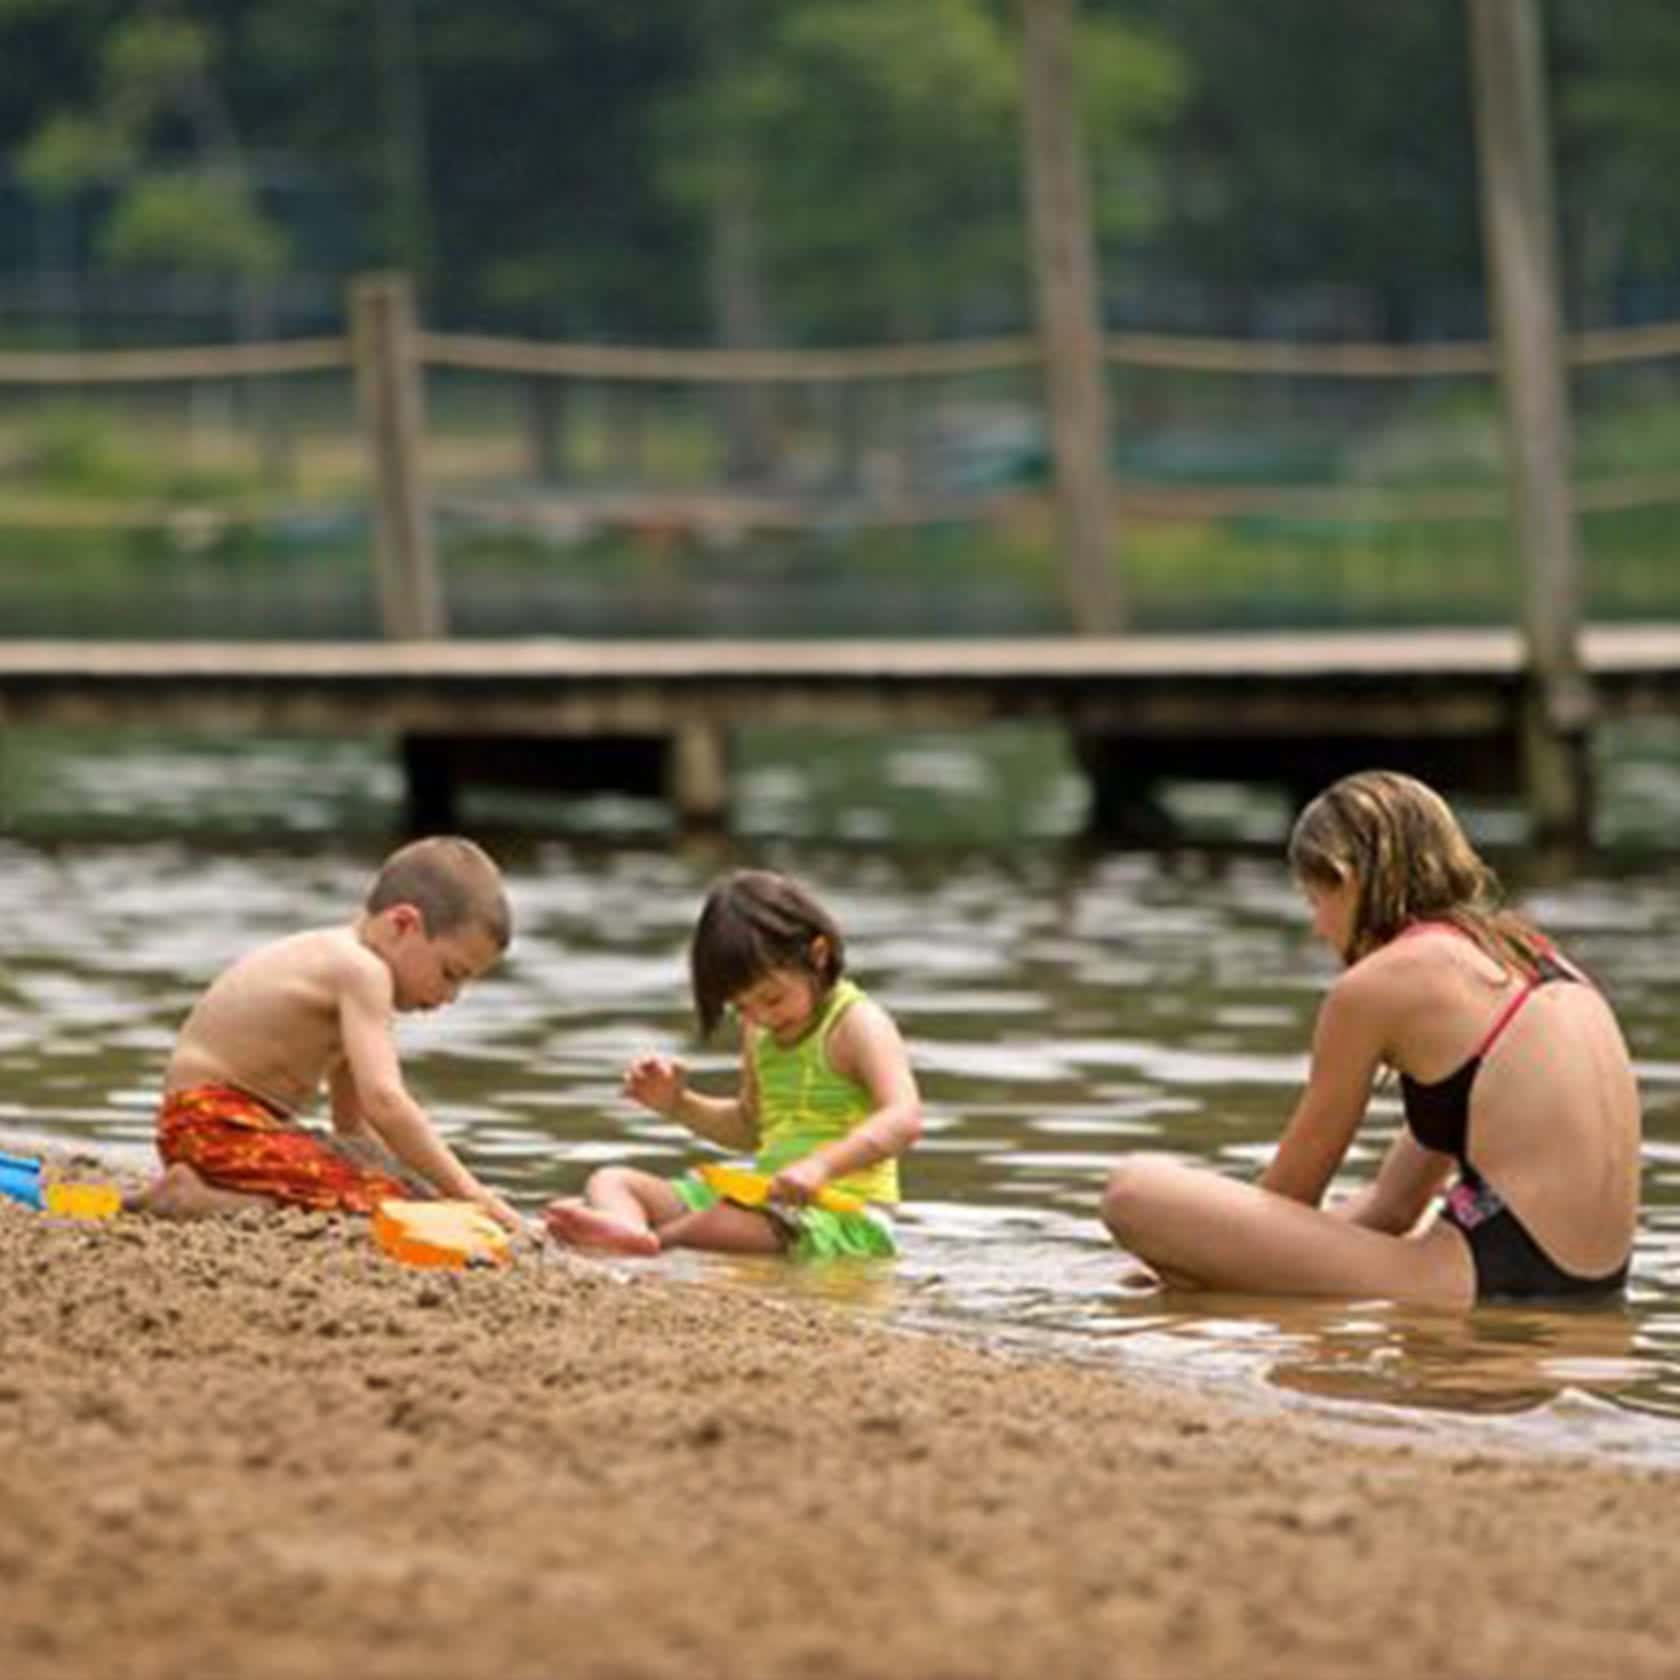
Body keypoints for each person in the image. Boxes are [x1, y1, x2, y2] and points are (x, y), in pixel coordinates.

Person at [1099, 770, 1641, 1307]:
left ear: (1348, 878)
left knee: (1134, 1192)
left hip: (1488, 1280)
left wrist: (1191, 1248)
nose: (1318, 929)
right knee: (1422, 1219)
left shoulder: (1376, 986)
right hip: (1587, 1290)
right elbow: (1394, 1204)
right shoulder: (1533, 961)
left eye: (1315, 901)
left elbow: (1289, 1199)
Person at [129, 835, 520, 1229]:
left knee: (393, 1188)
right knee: (376, 1201)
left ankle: (211, 1188)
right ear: (403, 924)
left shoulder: (346, 968)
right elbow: (386, 1101)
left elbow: (353, 1127)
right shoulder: (362, 971)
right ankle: (196, 1199)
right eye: (450, 973)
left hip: (206, 1128)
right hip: (217, 1124)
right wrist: (471, 1194)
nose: (451, 996)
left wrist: (415, 1181)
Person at [545, 868, 921, 1260]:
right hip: (765, 1202)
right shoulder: (758, 1031)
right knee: (614, 1180)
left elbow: (904, 1117)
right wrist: (678, 1103)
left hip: (845, 1216)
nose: (762, 1016)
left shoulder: (857, 1023)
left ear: (818, 956)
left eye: (773, 999)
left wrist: (820, 1166)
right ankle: (627, 1229)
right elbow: (749, 1127)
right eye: (742, 1006)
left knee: (719, 1221)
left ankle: (646, 1240)